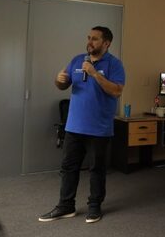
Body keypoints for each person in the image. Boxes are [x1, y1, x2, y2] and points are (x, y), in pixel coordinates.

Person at [39, 26, 125, 224]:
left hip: (99, 128)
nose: (90, 41)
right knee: (68, 167)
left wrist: (95, 74)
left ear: (106, 43)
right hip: (74, 126)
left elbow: (117, 91)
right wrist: (58, 80)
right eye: (89, 38)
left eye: (95, 39)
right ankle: (65, 206)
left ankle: (94, 207)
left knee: (96, 169)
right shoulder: (78, 60)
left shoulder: (115, 64)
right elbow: (63, 84)